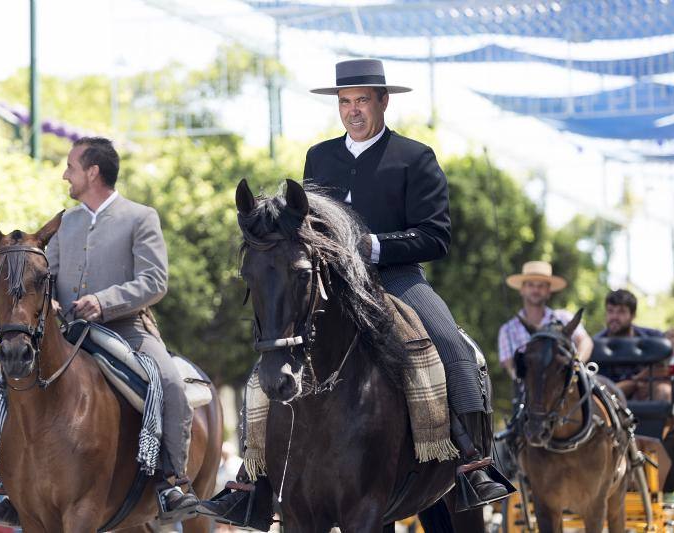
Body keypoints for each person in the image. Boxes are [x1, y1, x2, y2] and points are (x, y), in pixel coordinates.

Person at [200, 59, 511, 523]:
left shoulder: (415, 157)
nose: (353, 111)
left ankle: (471, 463)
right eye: (345, 102)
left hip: (397, 280)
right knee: (267, 362)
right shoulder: (319, 158)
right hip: (333, 286)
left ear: (383, 101)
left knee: (451, 344)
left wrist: (375, 245)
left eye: (362, 100)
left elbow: (436, 236)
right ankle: (253, 479)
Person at [0, 137, 197, 525]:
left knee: (169, 381)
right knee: (6, 385)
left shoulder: (140, 217)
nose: (65, 174)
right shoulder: (66, 222)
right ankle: (7, 486)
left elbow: (155, 281)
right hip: (71, 330)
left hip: (128, 328)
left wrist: (104, 301)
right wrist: (52, 303)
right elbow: (50, 275)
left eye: (70, 167)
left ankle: (171, 482)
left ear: (92, 172)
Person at [498, 261, 593, 380]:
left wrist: (576, 364)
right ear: (521, 289)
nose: (536, 290)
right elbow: (511, 369)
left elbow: (585, 341)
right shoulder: (507, 330)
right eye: (531, 285)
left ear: (549, 291)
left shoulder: (564, 318)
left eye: (541, 286)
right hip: (528, 395)